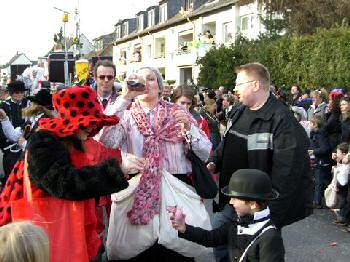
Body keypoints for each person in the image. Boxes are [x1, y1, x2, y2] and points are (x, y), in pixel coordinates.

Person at [0, 85, 129, 261]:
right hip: (42, 232)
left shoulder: (72, 139)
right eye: (87, 123)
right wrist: (115, 172)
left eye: (94, 123)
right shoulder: (44, 140)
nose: (91, 129)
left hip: (66, 229)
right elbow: (63, 182)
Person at [97, 67, 212, 261]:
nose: (145, 83)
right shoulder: (126, 115)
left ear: (159, 87)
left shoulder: (177, 112)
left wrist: (189, 128)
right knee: (140, 252)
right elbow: (104, 137)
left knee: (176, 251)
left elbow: (205, 151)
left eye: (150, 79)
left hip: (175, 187)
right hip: (138, 188)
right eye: (140, 80)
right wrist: (125, 97)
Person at [207, 62, 313, 261]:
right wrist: (215, 160)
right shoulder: (240, 110)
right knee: (221, 243)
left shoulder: (282, 120)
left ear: (255, 85)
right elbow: (227, 143)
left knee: (256, 255)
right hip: (232, 199)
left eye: (239, 84)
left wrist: (268, 215)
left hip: (257, 207)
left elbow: (287, 173)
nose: (234, 89)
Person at [171, 169, 285, 262]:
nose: (231, 202)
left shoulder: (270, 237)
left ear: (252, 204)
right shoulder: (236, 223)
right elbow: (211, 238)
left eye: (235, 198)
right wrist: (184, 228)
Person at [0, 81, 30, 180]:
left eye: (22, 92)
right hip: (9, 145)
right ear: (12, 93)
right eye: (17, 92)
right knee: (10, 173)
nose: (20, 94)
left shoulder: (28, 103)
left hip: (24, 141)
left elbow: (30, 121)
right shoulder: (4, 105)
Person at [309, 115, 332, 208]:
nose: (309, 125)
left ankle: (317, 202)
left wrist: (313, 151)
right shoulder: (316, 134)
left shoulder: (320, 135)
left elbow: (325, 148)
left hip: (321, 161)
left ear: (315, 125)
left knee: (319, 181)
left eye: (311, 123)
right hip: (319, 160)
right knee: (319, 181)